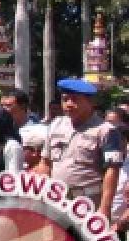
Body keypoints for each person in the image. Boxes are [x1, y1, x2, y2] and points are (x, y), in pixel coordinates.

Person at [41, 78, 125, 220]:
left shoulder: (106, 131)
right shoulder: (56, 125)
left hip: (89, 202)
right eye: (65, 99)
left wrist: (104, 208)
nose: (69, 104)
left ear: (90, 102)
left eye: (75, 100)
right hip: (57, 201)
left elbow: (112, 171)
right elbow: (45, 163)